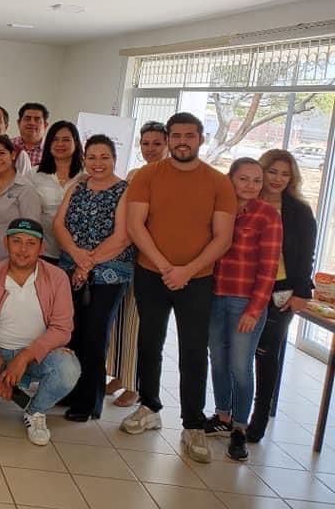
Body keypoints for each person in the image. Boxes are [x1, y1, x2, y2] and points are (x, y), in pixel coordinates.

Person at [121, 112, 236, 465]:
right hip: (151, 274)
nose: (182, 141)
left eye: (190, 135)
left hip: (197, 280)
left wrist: (187, 270)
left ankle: (193, 425)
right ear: (169, 139)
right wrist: (165, 266)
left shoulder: (218, 182)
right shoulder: (148, 176)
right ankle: (149, 406)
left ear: (201, 139)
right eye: (176, 136)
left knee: (193, 351)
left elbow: (223, 237)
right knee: (149, 342)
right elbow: (136, 225)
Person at [0, 218, 80, 446]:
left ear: (42, 247)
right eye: (16, 241)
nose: (23, 249)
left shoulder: (57, 277)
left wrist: (23, 358)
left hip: (35, 354)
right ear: (6, 243)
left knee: (68, 369)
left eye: (31, 243)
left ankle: (35, 411)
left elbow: (63, 328)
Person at [204, 158, 282, 461]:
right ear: (231, 179)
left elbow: (269, 268)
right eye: (244, 179)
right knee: (218, 361)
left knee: (240, 365)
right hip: (213, 296)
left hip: (245, 302)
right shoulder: (219, 209)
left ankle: (239, 426)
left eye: (257, 180)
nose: (251, 186)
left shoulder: (268, 216)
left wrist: (255, 309)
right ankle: (222, 415)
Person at [54, 135, 135, 422]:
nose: (97, 163)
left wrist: (88, 263)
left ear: (114, 159)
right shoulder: (77, 186)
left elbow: (123, 236)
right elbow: (59, 225)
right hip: (73, 268)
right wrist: (77, 255)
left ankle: (90, 401)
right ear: (84, 159)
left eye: (104, 157)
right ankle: (70, 390)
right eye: (92, 157)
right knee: (71, 333)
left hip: (108, 274)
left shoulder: (125, 190)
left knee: (94, 336)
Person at [248, 149, 316, 442]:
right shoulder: (246, 202)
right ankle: (232, 414)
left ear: (292, 178)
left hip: (281, 291)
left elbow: (306, 255)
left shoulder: (299, 211)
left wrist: (302, 292)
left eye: (285, 174)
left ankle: (259, 418)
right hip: (244, 286)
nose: (277, 179)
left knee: (266, 355)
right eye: (273, 172)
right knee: (238, 355)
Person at [107, 120, 169, 407]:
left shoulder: (171, 177)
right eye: (146, 143)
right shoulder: (134, 174)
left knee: (140, 324)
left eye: (157, 143)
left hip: (154, 260)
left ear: (167, 144)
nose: (150, 149)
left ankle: (136, 385)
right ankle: (120, 375)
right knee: (121, 320)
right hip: (127, 255)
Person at [0, 135, 42, 268]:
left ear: (13, 155)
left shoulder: (26, 189)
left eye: (1, 153)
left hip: (10, 260)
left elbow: (31, 232)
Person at [29, 121, 83, 262]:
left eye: (66, 140)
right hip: (43, 249)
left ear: (76, 143)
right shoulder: (34, 174)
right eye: (55, 139)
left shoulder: (87, 175)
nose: (60, 144)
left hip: (78, 252)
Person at [12, 103, 49, 168]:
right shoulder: (7, 145)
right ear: (18, 123)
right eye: (27, 119)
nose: (32, 123)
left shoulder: (53, 149)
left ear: (45, 125)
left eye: (37, 119)